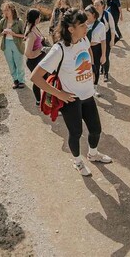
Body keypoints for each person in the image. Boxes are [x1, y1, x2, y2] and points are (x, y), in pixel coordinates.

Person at [31, 9, 113, 176]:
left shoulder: (83, 39)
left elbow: (87, 51)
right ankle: (77, 161)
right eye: (82, 25)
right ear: (70, 29)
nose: (86, 27)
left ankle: (93, 153)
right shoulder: (58, 49)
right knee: (76, 133)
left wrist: (91, 67)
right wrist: (59, 94)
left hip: (88, 95)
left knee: (96, 129)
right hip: (71, 99)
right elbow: (35, 77)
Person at [0, 2, 26, 89]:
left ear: (12, 10)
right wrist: (3, 33)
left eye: (7, 10)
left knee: (19, 63)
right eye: (4, 10)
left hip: (17, 44)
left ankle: (21, 81)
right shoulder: (2, 21)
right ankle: (15, 80)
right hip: (6, 44)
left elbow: (24, 35)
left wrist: (14, 34)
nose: (5, 12)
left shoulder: (19, 21)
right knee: (10, 63)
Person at [23, 8, 48, 105]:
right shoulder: (31, 34)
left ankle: (41, 101)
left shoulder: (34, 27)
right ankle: (40, 101)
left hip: (39, 59)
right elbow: (27, 53)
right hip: (34, 61)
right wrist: (41, 49)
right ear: (36, 18)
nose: (40, 18)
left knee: (43, 80)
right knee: (40, 81)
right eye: (39, 16)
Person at [84, 5, 107, 97]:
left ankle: (95, 87)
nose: (86, 17)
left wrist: (103, 55)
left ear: (94, 15)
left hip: (96, 49)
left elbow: (103, 41)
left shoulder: (100, 25)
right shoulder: (83, 24)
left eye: (88, 15)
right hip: (85, 49)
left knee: (95, 68)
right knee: (85, 68)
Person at [93, 0, 117, 82]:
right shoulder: (93, 15)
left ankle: (106, 73)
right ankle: (101, 69)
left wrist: (112, 40)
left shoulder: (107, 14)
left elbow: (113, 28)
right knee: (98, 56)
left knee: (105, 55)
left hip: (106, 37)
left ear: (102, 6)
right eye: (94, 5)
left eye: (98, 5)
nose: (96, 7)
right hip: (97, 39)